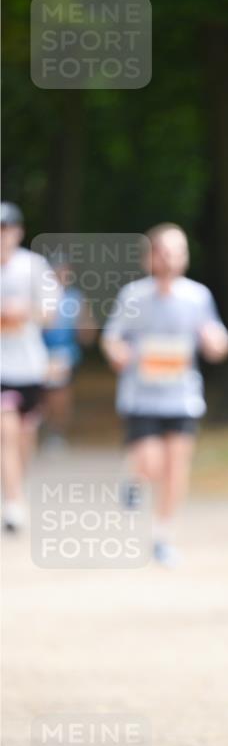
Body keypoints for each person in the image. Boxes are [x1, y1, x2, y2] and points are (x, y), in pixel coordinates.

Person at [101, 223, 228, 566]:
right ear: (150, 257)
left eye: (180, 251)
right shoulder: (132, 296)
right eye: (166, 251)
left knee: (176, 467)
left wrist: (215, 342)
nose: (173, 258)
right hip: (141, 396)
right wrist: (118, 353)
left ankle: (163, 536)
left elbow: (217, 340)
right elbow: (112, 337)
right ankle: (134, 476)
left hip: (182, 396)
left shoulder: (197, 295)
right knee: (152, 463)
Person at [0, 202, 60, 532]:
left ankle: (16, 486)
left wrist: (25, 311)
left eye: (6, 230)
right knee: (5, 432)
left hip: (29, 366)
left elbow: (51, 312)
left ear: (17, 232)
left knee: (24, 436)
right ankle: (12, 502)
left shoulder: (34, 267)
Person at [41, 251, 94, 448]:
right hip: (40, 352)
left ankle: (56, 431)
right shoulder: (41, 296)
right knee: (43, 395)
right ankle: (43, 427)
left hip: (65, 353)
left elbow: (86, 327)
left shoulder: (75, 298)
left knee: (60, 393)